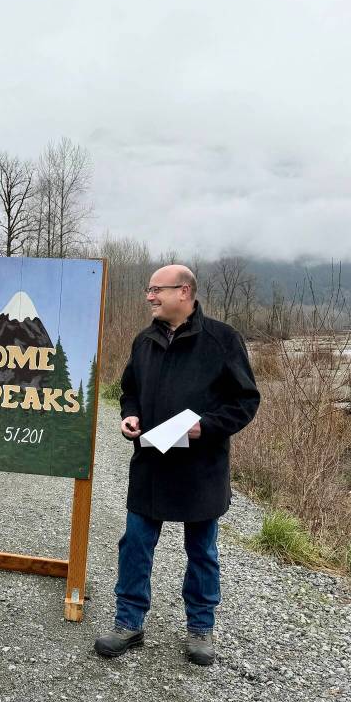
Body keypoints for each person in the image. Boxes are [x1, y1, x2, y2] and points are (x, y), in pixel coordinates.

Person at [94, 264, 260, 665]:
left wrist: (208, 428)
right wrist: (130, 415)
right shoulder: (144, 341)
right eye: (149, 290)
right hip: (150, 463)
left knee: (202, 551)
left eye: (156, 290)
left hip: (201, 469)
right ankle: (128, 623)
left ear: (184, 292)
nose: (149, 297)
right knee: (135, 544)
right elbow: (129, 390)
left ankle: (201, 630)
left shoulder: (222, 339)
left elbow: (245, 401)